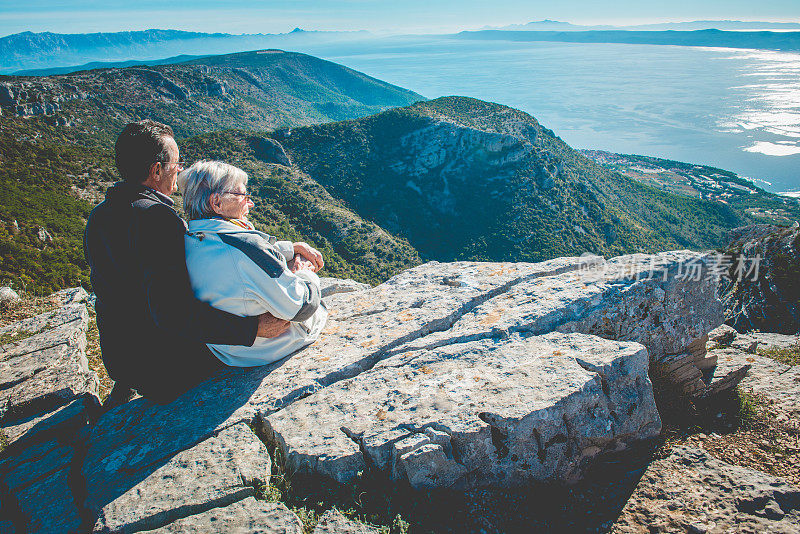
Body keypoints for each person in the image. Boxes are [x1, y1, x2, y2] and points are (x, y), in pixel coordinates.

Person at [83, 120, 310, 404]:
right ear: (156, 170)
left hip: (119, 358)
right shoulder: (157, 221)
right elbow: (172, 312)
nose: (179, 169)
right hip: (164, 365)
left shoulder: (99, 216)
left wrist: (282, 250)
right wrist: (251, 330)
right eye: (176, 164)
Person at [177, 160, 328, 366]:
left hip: (226, 349)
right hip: (269, 348)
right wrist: (304, 274)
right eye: (243, 196)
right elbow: (301, 308)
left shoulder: (190, 239)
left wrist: (288, 249)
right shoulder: (246, 248)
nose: (251, 203)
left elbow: (243, 259)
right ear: (217, 203)